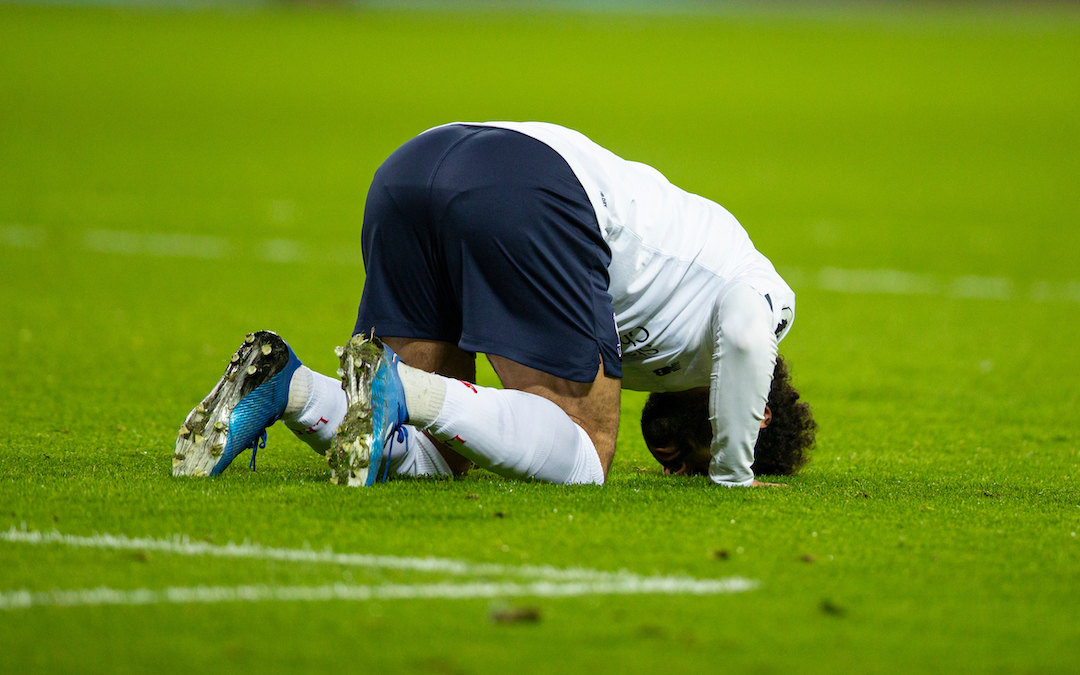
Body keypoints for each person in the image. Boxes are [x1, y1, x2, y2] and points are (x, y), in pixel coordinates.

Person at [173, 122, 814, 487]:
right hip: (530, 189)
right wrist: (734, 474)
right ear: (754, 417)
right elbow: (751, 340)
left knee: (427, 449)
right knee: (586, 455)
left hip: (415, 165)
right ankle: (409, 390)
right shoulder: (759, 296)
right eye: (690, 467)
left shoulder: (672, 340)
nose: (674, 471)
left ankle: (287, 387)